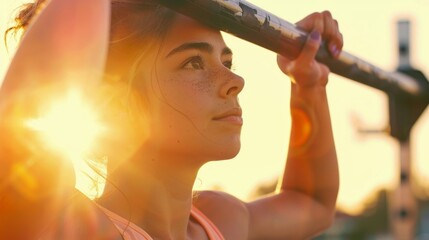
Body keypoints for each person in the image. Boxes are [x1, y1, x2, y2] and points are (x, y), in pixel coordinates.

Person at [0, 0, 342, 239]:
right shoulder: (68, 227)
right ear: (116, 103)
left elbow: (311, 201)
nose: (236, 82)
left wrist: (309, 84)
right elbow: (18, 118)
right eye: (193, 62)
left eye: (227, 61)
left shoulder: (219, 221)